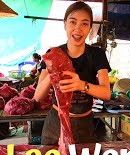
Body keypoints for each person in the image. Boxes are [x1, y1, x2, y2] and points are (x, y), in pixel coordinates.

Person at [34, 2, 111, 145]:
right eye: (73, 22)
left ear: (89, 28)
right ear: (65, 24)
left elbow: (106, 93)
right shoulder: (53, 54)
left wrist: (82, 85)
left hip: (84, 126)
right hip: (56, 126)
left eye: (84, 24)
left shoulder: (97, 54)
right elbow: (38, 96)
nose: (78, 29)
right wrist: (54, 72)